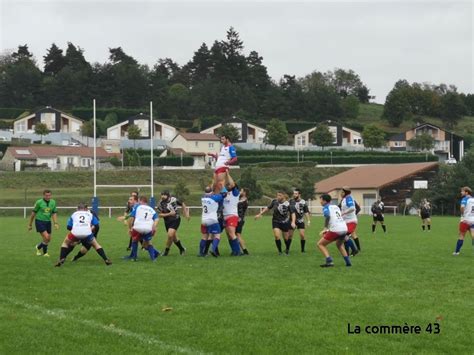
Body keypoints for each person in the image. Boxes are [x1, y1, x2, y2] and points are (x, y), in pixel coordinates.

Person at [317, 194, 351, 268]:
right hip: (344, 228)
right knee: (339, 245)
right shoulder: (335, 206)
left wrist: (325, 228)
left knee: (320, 244)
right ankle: (348, 262)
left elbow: (328, 216)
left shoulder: (326, 207)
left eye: (321, 200)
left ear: (325, 201)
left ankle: (329, 261)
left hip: (336, 229)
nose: (320, 201)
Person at [126, 196, 160, 261]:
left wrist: (130, 228)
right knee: (148, 242)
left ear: (140, 201)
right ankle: (153, 259)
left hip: (138, 227)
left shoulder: (137, 207)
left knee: (134, 241)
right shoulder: (151, 209)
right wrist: (154, 227)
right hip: (148, 228)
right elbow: (157, 219)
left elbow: (131, 218)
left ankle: (134, 258)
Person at [28, 189, 59, 257]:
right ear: (43, 195)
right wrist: (30, 224)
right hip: (39, 221)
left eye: (49, 195)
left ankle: (38, 247)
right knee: (46, 237)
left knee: (48, 239)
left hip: (48, 222)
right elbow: (33, 213)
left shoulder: (53, 202)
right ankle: (45, 253)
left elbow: (54, 213)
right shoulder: (39, 202)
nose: (48, 197)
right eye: (46, 195)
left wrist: (55, 223)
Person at [157, 191, 188, 256]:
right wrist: (169, 214)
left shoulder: (173, 199)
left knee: (170, 235)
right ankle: (182, 249)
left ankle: (166, 251)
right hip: (167, 222)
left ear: (168, 195)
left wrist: (185, 213)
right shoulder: (160, 203)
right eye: (161, 195)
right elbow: (159, 215)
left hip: (176, 219)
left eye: (164, 195)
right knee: (173, 237)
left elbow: (182, 204)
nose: (162, 196)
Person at [222, 172, 245, 256]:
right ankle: (234, 251)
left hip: (232, 215)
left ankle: (238, 252)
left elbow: (232, 183)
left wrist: (227, 174)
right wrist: (223, 176)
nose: (228, 185)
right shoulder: (224, 193)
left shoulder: (235, 193)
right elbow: (222, 184)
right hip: (225, 217)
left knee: (232, 233)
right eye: (227, 185)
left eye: (229, 185)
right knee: (229, 235)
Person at [199, 185, 224, 257]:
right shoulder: (214, 198)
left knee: (204, 237)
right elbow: (223, 195)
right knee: (217, 236)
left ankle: (201, 253)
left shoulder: (202, 198)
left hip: (203, 220)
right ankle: (213, 249)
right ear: (212, 192)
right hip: (212, 220)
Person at [453, 186, 474, 255]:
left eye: (462, 191)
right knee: (473, 235)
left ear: (466, 192)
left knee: (461, 235)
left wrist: (463, 214)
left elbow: (462, 207)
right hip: (472, 220)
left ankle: (456, 252)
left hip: (465, 220)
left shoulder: (465, 199)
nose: (461, 192)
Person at [289, 189, 311, 253]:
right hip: (292, 221)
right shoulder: (291, 201)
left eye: (296, 194)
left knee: (302, 235)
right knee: (290, 235)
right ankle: (287, 249)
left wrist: (308, 221)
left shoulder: (303, 202)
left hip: (300, 221)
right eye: (294, 193)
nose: (294, 195)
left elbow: (306, 212)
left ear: (299, 194)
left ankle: (302, 250)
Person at [339, 187, 360, 256]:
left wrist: (344, 213)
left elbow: (352, 208)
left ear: (345, 193)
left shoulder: (349, 198)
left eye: (342, 192)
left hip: (351, 221)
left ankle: (354, 250)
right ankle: (348, 252)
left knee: (344, 236)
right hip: (346, 221)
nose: (340, 193)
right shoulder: (344, 199)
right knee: (344, 236)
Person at [236, 188, 250, 255]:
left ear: (244, 192)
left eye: (241, 191)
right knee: (236, 235)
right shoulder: (242, 200)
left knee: (238, 235)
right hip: (240, 219)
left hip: (239, 219)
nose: (239, 192)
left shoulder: (244, 201)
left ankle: (245, 251)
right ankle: (238, 250)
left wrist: (239, 218)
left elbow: (241, 211)